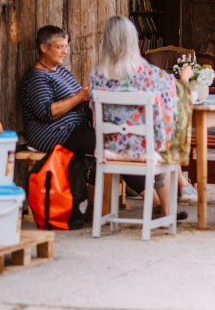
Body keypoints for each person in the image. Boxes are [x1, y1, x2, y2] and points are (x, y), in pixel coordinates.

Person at [90, 16, 198, 215]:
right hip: (145, 149)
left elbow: (96, 117)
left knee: (152, 141)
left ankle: (168, 201)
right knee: (166, 143)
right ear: (134, 41)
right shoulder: (153, 75)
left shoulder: (96, 76)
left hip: (111, 148)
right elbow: (171, 110)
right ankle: (169, 209)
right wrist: (184, 79)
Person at [21, 25, 93, 155]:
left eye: (66, 47)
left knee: (117, 141)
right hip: (52, 134)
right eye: (60, 47)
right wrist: (79, 97)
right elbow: (46, 112)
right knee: (111, 145)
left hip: (74, 129)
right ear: (43, 48)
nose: (65, 52)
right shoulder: (37, 77)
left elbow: (77, 96)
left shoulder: (60, 70)